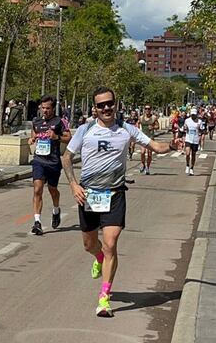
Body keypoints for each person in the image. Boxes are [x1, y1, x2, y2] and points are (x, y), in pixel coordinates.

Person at [61, 86, 178, 317]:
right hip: (89, 195)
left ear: (116, 104)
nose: (106, 108)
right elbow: (67, 158)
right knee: (89, 245)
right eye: (101, 105)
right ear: (94, 108)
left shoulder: (127, 129)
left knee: (111, 243)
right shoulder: (85, 130)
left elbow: (155, 146)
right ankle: (99, 258)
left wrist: (173, 145)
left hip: (115, 194)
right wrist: (73, 185)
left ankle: (104, 298)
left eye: (109, 103)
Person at [28, 95, 72, 235]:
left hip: (53, 162)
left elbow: (69, 138)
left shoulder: (60, 121)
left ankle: (56, 210)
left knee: (53, 190)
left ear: (53, 108)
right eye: (43, 108)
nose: (45, 111)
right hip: (39, 161)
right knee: (37, 189)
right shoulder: (36, 121)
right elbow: (33, 133)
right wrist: (32, 138)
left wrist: (56, 137)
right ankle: (37, 222)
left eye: (48, 108)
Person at [138, 104, 159, 174]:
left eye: (149, 109)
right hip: (143, 137)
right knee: (142, 152)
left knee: (149, 154)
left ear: (151, 110)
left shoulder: (153, 118)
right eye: (146, 109)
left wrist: (153, 127)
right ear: (144, 109)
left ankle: (147, 167)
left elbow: (157, 126)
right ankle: (143, 165)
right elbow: (137, 124)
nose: (147, 110)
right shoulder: (141, 118)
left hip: (150, 138)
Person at [184, 108, 202, 176]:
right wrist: (185, 128)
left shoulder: (199, 121)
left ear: (196, 114)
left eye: (194, 115)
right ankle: (187, 165)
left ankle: (192, 168)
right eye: (192, 115)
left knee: (193, 155)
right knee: (188, 153)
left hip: (195, 140)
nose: (193, 116)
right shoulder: (187, 120)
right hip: (188, 139)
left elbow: (202, 130)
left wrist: (200, 131)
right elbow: (185, 127)